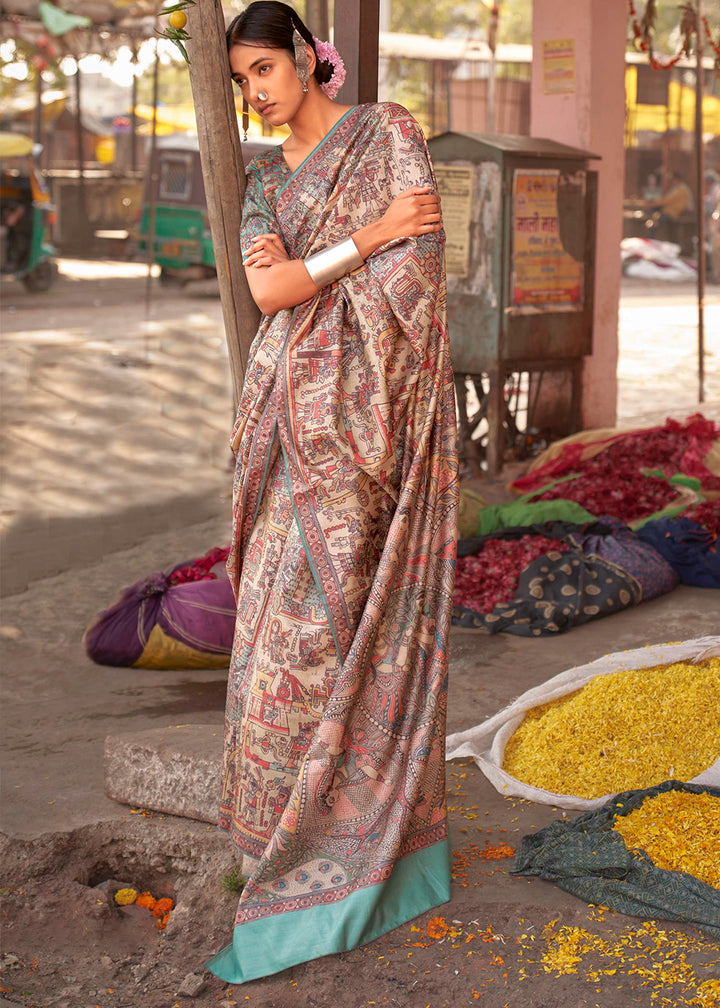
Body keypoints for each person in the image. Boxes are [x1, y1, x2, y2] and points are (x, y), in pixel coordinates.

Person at [206, 1, 458, 985]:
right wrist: (369, 235)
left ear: (312, 61)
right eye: (241, 81)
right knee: (277, 641)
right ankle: (279, 848)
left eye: (265, 70)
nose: (255, 95)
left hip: (365, 435)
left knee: (348, 627)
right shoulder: (265, 182)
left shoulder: (388, 131)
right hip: (283, 431)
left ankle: (367, 856)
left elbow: (421, 272)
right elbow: (272, 296)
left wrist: (336, 258)